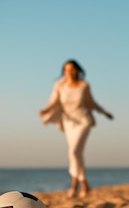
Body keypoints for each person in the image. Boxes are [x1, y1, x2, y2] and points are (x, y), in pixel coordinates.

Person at [39, 59, 113, 198]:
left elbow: (91, 103)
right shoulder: (59, 85)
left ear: (78, 70)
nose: (69, 72)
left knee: (73, 152)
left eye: (72, 69)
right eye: (66, 69)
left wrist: (104, 112)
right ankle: (83, 185)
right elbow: (53, 102)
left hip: (83, 121)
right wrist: (45, 110)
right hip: (68, 123)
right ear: (64, 72)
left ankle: (78, 184)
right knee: (77, 154)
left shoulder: (84, 85)